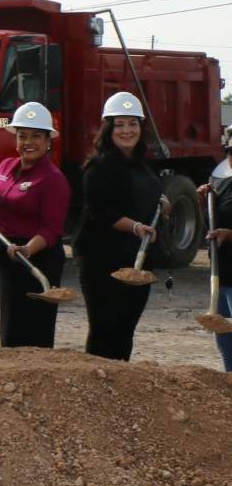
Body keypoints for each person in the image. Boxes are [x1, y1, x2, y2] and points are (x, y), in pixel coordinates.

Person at [72, 92, 169, 361]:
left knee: (126, 328)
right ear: (108, 128)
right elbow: (98, 209)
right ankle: (98, 388)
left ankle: (120, 387)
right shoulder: (100, 165)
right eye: (120, 124)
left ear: (141, 126)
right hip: (102, 260)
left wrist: (160, 200)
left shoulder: (141, 164)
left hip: (137, 258)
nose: (127, 130)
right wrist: (136, 227)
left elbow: (141, 193)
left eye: (132, 123)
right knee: (105, 328)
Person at [0, 101, 71, 349]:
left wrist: (27, 249)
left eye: (36, 136)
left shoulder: (53, 180)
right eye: (23, 136)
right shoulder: (7, 165)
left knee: (35, 332)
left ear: (49, 140)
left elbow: (52, 228)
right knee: (10, 326)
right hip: (7, 255)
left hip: (37, 259)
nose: (28, 142)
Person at [200, 126, 232, 370]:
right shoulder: (220, 181)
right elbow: (211, 226)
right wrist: (203, 203)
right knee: (226, 344)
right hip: (222, 275)